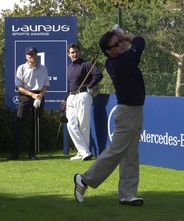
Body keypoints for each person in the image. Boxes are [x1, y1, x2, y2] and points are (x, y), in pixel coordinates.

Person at [73, 29, 146, 206]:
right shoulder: (122, 62)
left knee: (131, 155)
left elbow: (131, 47)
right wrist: (126, 36)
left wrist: (121, 38)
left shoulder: (118, 59)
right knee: (115, 152)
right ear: (108, 52)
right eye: (116, 43)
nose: (120, 44)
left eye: (120, 42)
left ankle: (127, 194)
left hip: (135, 110)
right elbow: (140, 41)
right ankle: (84, 180)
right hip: (127, 112)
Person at [7, 46, 50, 160]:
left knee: (36, 125)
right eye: (30, 55)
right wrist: (32, 95)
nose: (32, 56)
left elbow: (45, 85)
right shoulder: (21, 68)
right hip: (25, 96)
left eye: (34, 54)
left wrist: (40, 95)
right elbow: (18, 87)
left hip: (39, 96)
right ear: (26, 57)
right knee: (19, 124)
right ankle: (15, 152)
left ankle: (33, 153)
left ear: (37, 55)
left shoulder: (43, 68)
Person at [61, 43, 103, 161]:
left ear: (79, 52)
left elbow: (98, 74)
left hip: (83, 96)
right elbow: (70, 86)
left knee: (84, 125)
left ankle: (83, 152)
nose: (74, 54)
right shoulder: (69, 68)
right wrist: (65, 99)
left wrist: (90, 86)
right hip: (71, 97)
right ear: (68, 54)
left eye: (76, 52)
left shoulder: (86, 64)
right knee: (71, 124)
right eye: (72, 52)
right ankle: (83, 151)